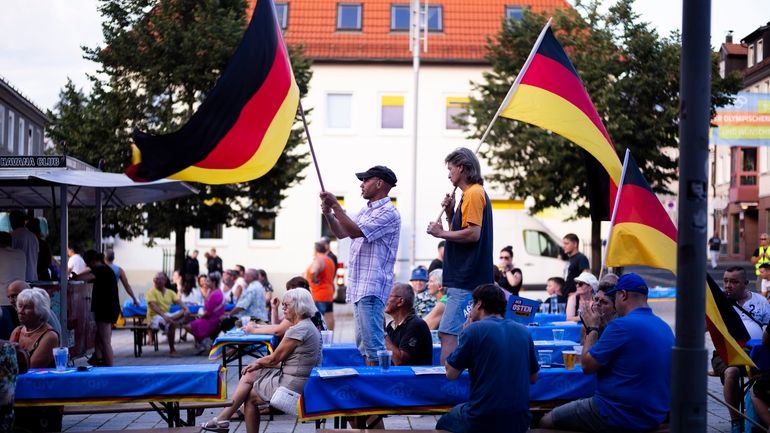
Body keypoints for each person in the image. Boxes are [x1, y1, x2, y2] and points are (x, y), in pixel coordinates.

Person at [540, 273, 674, 433]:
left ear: (623, 295)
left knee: (545, 421)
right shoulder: (664, 326)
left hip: (617, 412)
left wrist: (592, 328)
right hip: (655, 413)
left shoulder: (621, 326)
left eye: (614, 297)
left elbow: (587, 366)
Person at [201, 289, 322, 433]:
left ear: (299, 306)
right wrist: (257, 364)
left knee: (250, 396)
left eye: (286, 305)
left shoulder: (298, 330)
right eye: (283, 305)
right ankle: (223, 419)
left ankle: (222, 419)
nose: (283, 308)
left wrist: (257, 362)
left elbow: (274, 359)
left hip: (291, 386)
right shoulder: (307, 326)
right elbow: (288, 360)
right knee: (250, 374)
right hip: (299, 379)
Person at [320, 165, 401, 365]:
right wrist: (330, 214)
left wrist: (336, 206)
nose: (361, 185)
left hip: (371, 287)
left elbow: (356, 231)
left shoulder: (389, 212)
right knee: (364, 346)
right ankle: (373, 386)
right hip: (360, 287)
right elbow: (341, 232)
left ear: (380, 183)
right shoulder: (366, 211)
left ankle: (380, 388)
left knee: (373, 347)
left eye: (366, 180)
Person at [436, 284, 538, 433]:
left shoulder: (473, 330)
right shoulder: (524, 331)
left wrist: (463, 336)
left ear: (479, 304)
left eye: (472, 303)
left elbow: (451, 374)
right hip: (519, 420)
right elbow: (533, 378)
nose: (470, 309)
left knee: (443, 423)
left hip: (482, 419)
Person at [426, 148, 494, 365]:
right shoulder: (469, 194)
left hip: (467, 277)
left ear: (462, 168)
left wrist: (440, 233)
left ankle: (448, 382)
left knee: (448, 333)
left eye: (450, 169)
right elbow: (461, 233)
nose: (448, 175)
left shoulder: (474, 193)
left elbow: (473, 234)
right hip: (466, 276)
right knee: (465, 333)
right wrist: (450, 213)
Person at [712, 266, 770, 432]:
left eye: (734, 282)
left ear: (745, 283)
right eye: (725, 281)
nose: (728, 285)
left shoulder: (761, 301)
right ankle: (735, 421)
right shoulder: (719, 303)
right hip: (727, 351)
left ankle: (759, 415)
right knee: (731, 373)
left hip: (758, 352)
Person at [80, 250, 136, 366]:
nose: (87, 266)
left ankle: (109, 367)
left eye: (87, 263)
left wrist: (73, 275)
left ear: (91, 261)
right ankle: (99, 360)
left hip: (105, 308)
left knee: (105, 341)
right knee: (100, 338)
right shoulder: (106, 269)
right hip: (111, 307)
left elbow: (81, 277)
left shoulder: (100, 270)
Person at [384, 283, 433, 366]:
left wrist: (382, 333)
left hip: (413, 378)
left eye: (388, 296)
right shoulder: (391, 326)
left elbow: (400, 361)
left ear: (400, 301)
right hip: (398, 377)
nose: (384, 299)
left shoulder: (416, 325)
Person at [10, 288, 59, 368]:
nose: (21, 311)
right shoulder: (17, 331)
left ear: (40, 311)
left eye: (27, 307)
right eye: (20, 306)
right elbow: (6, 360)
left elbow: (32, 367)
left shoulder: (50, 336)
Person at [146, 272, 189, 356]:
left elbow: (180, 302)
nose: (157, 281)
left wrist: (186, 309)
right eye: (156, 279)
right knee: (170, 323)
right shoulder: (151, 292)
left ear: (165, 281)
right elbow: (153, 306)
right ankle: (172, 350)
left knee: (184, 313)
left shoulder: (170, 292)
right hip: (154, 317)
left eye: (159, 279)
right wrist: (164, 316)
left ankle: (168, 322)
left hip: (167, 315)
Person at [186, 274, 225, 354]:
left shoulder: (214, 294)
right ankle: (205, 343)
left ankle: (206, 342)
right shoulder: (215, 292)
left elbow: (208, 312)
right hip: (213, 318)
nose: (206, 283)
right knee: (192, 323)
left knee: (188, 326)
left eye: (208, 281)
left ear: (213, 282)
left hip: (212, 320)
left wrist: (200, 315)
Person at [0, 232, 25, 339]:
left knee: (7, 339)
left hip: (3, 302)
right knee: (19, 337)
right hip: (21, 302)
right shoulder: (21, 254)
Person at [306, 241, 335, 330]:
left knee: (316, 319)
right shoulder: (329, 260)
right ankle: (329, 338)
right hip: (329, 293)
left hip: (319, 294)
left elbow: (313, 271)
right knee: (329, 316)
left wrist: (314, 279)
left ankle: (317, 339)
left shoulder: (318, 259)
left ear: (315, 250)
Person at [9, 211, 38, 282]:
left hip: (19, 279)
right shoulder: (33, 236)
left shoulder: (12, 236)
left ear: (12, 222)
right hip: (33, 277)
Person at [562, 233, 590, 301]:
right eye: (563, 244)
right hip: (567, 296)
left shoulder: (581, 258)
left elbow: (586, 278)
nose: (564, 246)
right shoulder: (570, 258)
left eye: (566, 243)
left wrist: (577, 293)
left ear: (575, 244)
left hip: (575, 298)